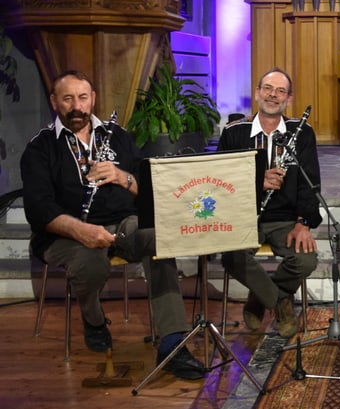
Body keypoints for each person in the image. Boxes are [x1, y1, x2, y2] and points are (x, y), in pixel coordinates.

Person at [20, 70, 205, 380]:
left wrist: (123, 177)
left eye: (82, 97)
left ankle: (173, 343)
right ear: (54, 102)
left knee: (159, 239)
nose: (76, 106)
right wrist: (83, 231)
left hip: (123, 223)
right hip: (67, 233)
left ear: (93, 99)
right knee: (89, 262)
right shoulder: (40, 148)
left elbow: (146, 189)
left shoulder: (116, 136)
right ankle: (93, 319)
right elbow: (39, 211)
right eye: (67, 99)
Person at [216, 68, 322, 339]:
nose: (273, 95)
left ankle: (259, 296)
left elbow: (311, 184)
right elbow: (218, 181)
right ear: (257, 93)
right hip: (244, 215)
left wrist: (303, 223)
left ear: (289, 99)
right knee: (232, 256)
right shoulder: (234, 133)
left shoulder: (302, 133)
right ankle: (278, 302)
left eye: (280, 91)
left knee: (306, 260)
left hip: (285, 218)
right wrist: (257, 181)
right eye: (267, 89)